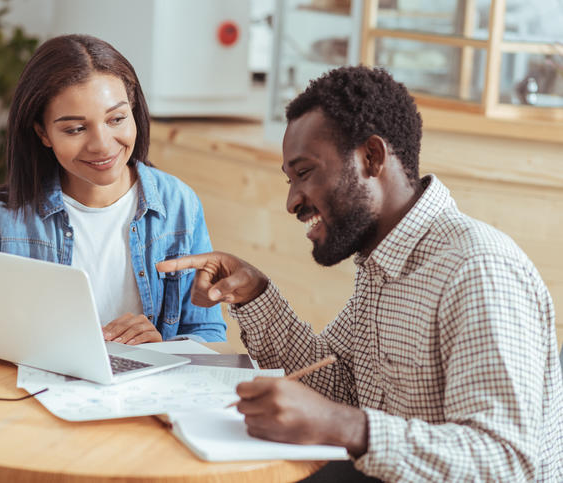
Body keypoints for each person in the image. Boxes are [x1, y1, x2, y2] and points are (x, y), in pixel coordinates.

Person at [157, 66, 563, 481]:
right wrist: (255, 293)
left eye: (305, 172)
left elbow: (508, 462)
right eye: (289, 179)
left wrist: (347, 426)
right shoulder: (382, 262)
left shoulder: (478, 271)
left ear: (372, 157)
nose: (292, 200)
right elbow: (335, 387)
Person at [0, 34, 226, 358]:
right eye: (75, 129)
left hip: (144, 396)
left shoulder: (179, 205)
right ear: (43, 133)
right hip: (36, 394)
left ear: (134, 111)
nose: (101, 144)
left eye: (116, 119)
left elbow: (207, 334)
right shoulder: (5, 216)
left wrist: (162, 349)